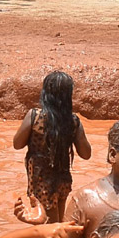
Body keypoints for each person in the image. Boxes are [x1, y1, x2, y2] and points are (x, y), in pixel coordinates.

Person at [12, 71, 92, 224]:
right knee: (59, 223)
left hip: (40, 179)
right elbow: (86, 154)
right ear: (68, 96)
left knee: (48, 227)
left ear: (45, 93)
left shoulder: (34, 116)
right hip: (63, 180)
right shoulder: (73, 121)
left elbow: (17, 144)